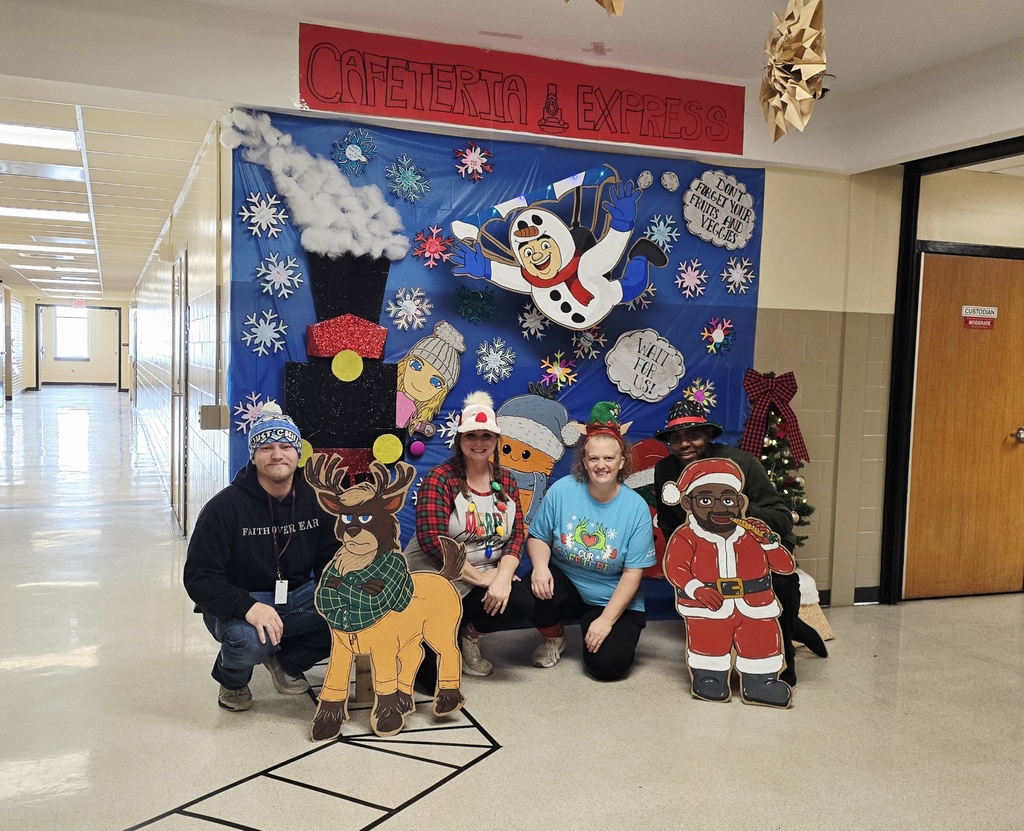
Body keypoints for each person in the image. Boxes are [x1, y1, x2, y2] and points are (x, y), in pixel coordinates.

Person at [652, 399, 827, 687]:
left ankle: (784, 659)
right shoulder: (666, 471)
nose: (684, 444)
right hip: (705, 554)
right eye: (676, 438)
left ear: (708, 435)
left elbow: (783, 519)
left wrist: (738, 511)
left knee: (781, 584)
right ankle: (790, 628)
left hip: (751, 550)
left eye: (693, 435)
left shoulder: (743, 464)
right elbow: (671, 523)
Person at [184, 403, 338, 712]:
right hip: (238, 600)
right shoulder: (223, 508)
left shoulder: (316, 500)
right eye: (266, 447)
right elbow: (199, 577)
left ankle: (286, 662)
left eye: (285, 446)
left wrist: (344, 591)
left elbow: (329, 558)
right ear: (254, 456)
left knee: (349, 611)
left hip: (296, 593)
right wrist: (248, 607)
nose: (277, 454)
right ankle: (233, 682)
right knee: (249, 640)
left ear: (298, 453)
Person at [404, 391, 534, 678]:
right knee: (427, 680)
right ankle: (431, 636)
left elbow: (516, 536)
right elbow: (433, 541)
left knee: (520, 599)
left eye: (486, 436)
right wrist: (483, 578)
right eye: (471, 436)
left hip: (483, 572)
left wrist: (500, 577)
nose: (479, 443)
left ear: (497, 441)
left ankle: (469, 637)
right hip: (435, 577)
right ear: (459, 440)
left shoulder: (507, 480)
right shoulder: (440, 478)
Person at [526, 401, 656, 681]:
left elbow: (634, 573)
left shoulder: (636, 508)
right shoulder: (562, 491)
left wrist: (606, 621)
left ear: (622, 462)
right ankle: (555, 638)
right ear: (583, 461)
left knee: (607, 669)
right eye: (594, 458)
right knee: (527, 591)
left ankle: (595, 624)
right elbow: (538, 536)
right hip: (569, 583)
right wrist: (540, 567)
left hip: (612, 595)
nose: (601, 465)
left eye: (609, 458)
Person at [661, 457, 795, 707]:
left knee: (761, 643)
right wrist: (696, 589)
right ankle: (710, 678)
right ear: (688, 503)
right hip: (707, 606)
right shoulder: (686, 536)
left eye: (727, 499)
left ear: (740, 502)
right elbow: (675, 568)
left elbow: (785, 566)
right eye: (705, 500)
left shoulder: (753, 533)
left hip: (756, 606)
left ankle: (761, 683)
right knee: (708, 643)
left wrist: (768, 542)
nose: (719, 508)